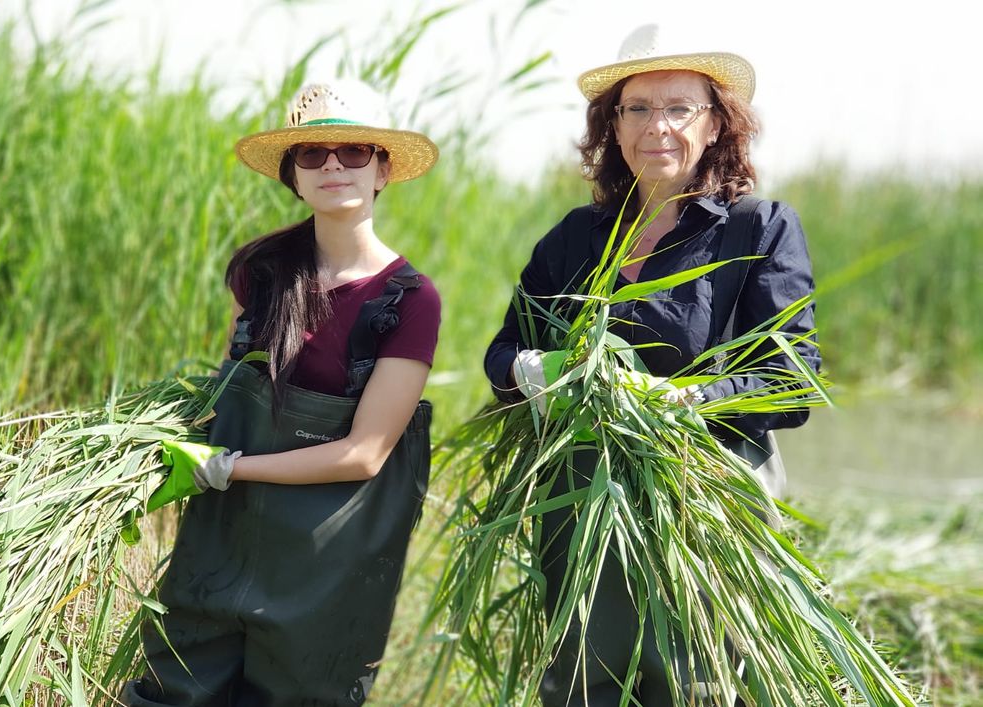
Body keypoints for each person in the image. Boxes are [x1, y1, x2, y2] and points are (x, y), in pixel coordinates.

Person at [483, 24, 820, 707]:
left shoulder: (760, 229)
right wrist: (533, 370)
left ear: (718, 122)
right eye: (637, 108)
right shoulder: (577, 237)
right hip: (582, 512)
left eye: (678, 108)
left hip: (705, 507)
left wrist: (675, 400)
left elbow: (792, 382)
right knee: (582, 685)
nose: (655, 127)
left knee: (693, 684)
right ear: (612, 123)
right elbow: (501, 350)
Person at [120, 78, 441, 706]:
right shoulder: (263, 272)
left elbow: (365, 453)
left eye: (353, 152)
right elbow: (228, 390)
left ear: (383, 169)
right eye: (312, 154)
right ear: (293, 175)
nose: (332, 167)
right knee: (177, 685)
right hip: (225, 532)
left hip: (328, 552)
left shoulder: (409, 300)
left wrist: (235, 469)